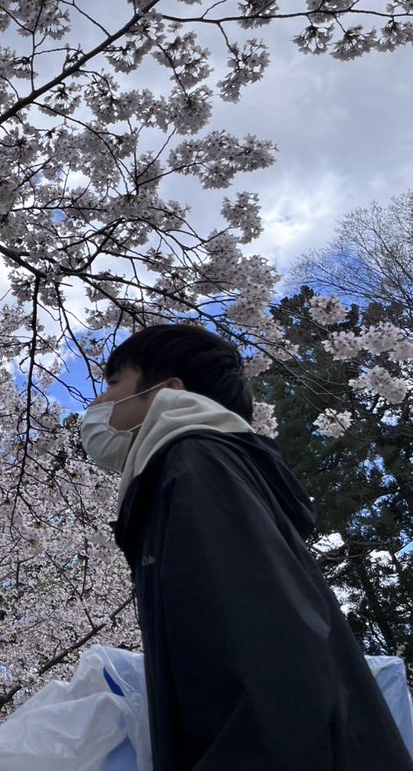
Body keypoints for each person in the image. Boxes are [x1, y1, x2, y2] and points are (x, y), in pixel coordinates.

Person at [81, 323, 413, 770]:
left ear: (168, 392)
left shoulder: (196, 466)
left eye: (114, 384)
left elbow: (260, 655)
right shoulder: (205, 467)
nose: (98, 404)